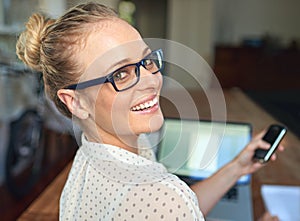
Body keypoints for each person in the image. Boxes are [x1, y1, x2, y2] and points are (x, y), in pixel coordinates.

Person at [16, 2, 282, 220]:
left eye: (146, 61)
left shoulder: (92, 154)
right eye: (120, 74)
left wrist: (236, 168)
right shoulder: (163, 197)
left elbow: (168, 208)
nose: (151, 80)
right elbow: (168, 205)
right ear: (76, 102)